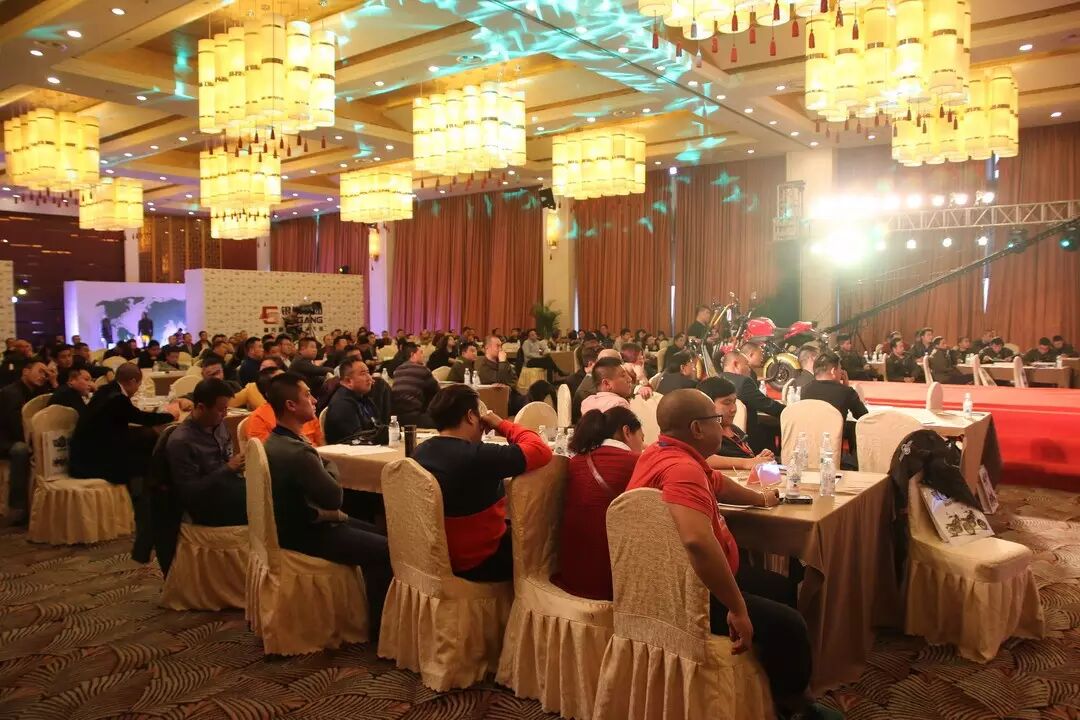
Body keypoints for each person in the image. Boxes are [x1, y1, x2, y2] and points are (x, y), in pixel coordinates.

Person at [626, 390, 826, 719]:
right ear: (697, 428)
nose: (723, 427)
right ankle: (797, 706)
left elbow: (716, 481)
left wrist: (762, 499)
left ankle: (768, 683)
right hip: (687, 589)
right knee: (790, 623)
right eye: (717, 420)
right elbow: (697, 542)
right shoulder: (682, 469)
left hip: (684, 574)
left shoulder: (662, 452)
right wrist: (736, 608)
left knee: (782, 587)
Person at [262, 373, 392, 632]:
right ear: (291, 405)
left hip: (291, 524)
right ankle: (380, 630)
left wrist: (322, 463)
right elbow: (334, 498)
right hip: (307, 532)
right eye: (307, 395)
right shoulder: (298, 451)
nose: (314, 400)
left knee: (381, 534)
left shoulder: (275, 440)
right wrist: (329, 464)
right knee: (386, 550)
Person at [412, 384, 552, 581]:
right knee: (544, 536)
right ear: (471, 416)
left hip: (433, 557)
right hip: (478, 562)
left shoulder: (420, 451)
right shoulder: (478, 456)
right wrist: (501, 424)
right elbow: (540, 451)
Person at [552, 406, 644, 600]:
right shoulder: (638, 463)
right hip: (611, 584)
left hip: (572, 576)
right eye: (641, 438)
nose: (642, 445)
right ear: (627, 432)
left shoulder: (576, 461)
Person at [69, 363, 179, 486]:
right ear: (133, 381)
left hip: (86, 453)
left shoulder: (106, 390)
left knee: (147, 435)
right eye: (138, 385)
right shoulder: (117, 398)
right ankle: (148, 489)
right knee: (150, 452)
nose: (137, 389)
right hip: (93, 462)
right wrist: (170, 415)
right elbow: (142, 418)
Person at [166, 378, 247, 526]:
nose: (225, 414)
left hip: (225, 487)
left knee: (270, 492)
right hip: (206, 504)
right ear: (201, 407)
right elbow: (189, 492)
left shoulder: (218, 424)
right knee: (261, 507)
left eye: (226, 409)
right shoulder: (182, 441)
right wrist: (228, 468)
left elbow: (226, 457)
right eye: (221, 410)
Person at [0, 359, 51, 521]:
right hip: (6, 438)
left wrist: (54, 381)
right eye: (40, 371)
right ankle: (18, 506)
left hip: (28, 435)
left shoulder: (39, 391)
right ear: (25, 372)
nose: (43, 376)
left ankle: (45, 505)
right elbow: (14, 425)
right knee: (21, 449)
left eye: (46, 374)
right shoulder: (11, 392)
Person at [696, 376, 775, 472]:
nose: (733, 409)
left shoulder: (735, 430)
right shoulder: (701, 432)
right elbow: (701, 458)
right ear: (707, 404)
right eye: (727, 403)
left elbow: (747, 460)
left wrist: (758, 459)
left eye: (734, 402)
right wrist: (746, 463)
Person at [801, 353, 868, 462]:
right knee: (854, 427)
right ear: (833, 371)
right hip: (833, 444)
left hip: (809, 442)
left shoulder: (805, 390)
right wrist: (846, 388)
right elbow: (863, 415)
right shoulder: (846, 392)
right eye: (840, 369)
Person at [721, 351, 784, 454]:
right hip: (746, 438)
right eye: (746, 365)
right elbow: (767, 405)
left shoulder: (714, 380)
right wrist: (789, 410)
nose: (749, 369)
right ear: (736, 364)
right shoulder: (744, 382)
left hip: (722, 436)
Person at [245, 368, 324, 447]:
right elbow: (266, 452)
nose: (314, 401)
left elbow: (322, 444)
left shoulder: (306, 411)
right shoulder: (259, 418)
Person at [324, 358, 390, 444]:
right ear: (348, 381)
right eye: (363, 374)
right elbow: (357, 439)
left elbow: (378, 426)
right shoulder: (342, 404)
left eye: (368, 373)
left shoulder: (363, 397)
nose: (369, 378)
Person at [390, 342, 439, 427]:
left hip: (395, 417)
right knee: (443, 423)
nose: (423, 356)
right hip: (413, 415)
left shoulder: (398, 369)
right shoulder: (423, 369)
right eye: (420, 353)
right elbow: (437, 392)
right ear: (413, 354)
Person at [476, 335, 528, 414]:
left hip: (512, 395)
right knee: (527, 403)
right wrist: (502, 362)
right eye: (498, 346)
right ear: (487, 348)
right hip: (499, 401)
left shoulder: (502, 361)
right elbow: (500, 380)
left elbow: (514, 378)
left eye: (501, 346)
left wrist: (507, 386)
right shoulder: (483, 368)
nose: (501, 349)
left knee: (535, 393)